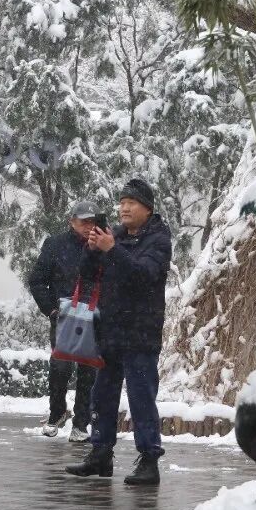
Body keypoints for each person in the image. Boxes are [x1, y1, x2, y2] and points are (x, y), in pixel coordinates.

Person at [65, 178, 172, 486]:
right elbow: (86, 274)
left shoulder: (159, 239)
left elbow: (143, 276)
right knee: (102, 395)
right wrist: (93, 250)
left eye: (132, 202)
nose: (124, 207)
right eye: (122, 202)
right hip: (110, 330)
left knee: (141, 398)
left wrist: (112, 250)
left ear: (147, 209)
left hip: (141, 332)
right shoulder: (116, 235)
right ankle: (100, 454)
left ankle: (149, 460)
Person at [27, 200, 100, 441]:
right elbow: (37, 280)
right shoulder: (55, 245)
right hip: (64, 316)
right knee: (59, 367)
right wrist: (50, 309)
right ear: (72, 221)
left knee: (89, 371)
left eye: (93, 221)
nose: (88, 226)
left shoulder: (105, 245)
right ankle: (57, 412)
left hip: (94, 317)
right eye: (83, 221)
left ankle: (81, 423)